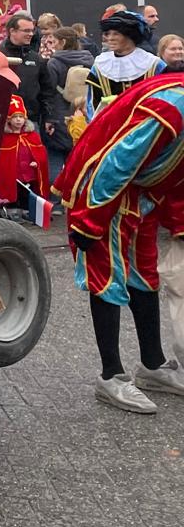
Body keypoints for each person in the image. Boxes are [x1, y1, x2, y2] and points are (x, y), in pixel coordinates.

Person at [54, 72, 184, 413]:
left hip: (141, 193)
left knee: (144, 275)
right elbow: (116, 162)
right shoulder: (172, 107)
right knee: (106, 278)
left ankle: (153, 367)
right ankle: (111, 377)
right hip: (101, 190)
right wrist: (89, 220)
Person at [87, 11, 165, 119]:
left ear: (130, 36)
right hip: (111, 128)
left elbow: (165, 99)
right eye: (108, 34)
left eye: (116, 34)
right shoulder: (100, 65)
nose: (110, 38)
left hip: (146, 127)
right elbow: (92, 103)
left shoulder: (154, 64)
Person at [43, 26, 95, 183]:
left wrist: (48, 118)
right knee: (79, 160)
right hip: (84, 113)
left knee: (55, 159)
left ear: (63, 42)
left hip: (59, 115)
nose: (52, 45)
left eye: (54, 41)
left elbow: (49, 91)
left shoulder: (54, 63)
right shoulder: (90, 60)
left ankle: (56, 200)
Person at [0, 95, 50, 219]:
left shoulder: (32, 136)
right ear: (8, 119)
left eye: (21, 117)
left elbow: (40, 155)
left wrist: (36, 162)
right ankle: (12, 213)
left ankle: (31, 213)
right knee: (13, 193)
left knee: (27, 195)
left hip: (29, 174)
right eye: (15, 117)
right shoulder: (4, 138)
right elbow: (2, 159)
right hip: (13, 175)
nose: (18, 120)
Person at [0, 12, 54, 131]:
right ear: (12, 31)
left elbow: (47, 91)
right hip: (3, 122)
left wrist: (49, 118)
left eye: (32, 31)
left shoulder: (36, 58)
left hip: (31, 121)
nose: (30, 34)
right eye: (26, 31)